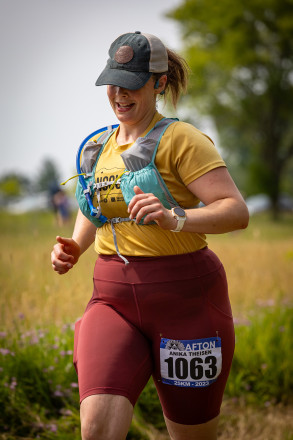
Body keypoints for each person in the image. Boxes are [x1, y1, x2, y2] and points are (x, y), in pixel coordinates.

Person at [51, 31, 249, 440]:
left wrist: (176, 218)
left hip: (187, 304)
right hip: (113, 301)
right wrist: (74, 245)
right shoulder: (97, 147)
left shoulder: (182, 139)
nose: (119, 94)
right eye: (113, 83)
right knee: (96, 428)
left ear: (158, 83)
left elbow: (236, 211)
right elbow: (94, 210)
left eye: (131, 84)